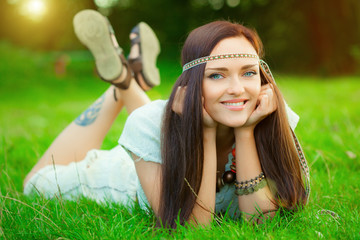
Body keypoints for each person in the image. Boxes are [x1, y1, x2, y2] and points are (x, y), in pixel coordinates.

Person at [24, 9, 310, 228]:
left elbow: (262, 221)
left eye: (248, 72)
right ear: (194, 82)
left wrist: (246, 132)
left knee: (155, 120)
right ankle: (121, 81)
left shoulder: (267, 113)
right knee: (34, 185)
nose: (238, 88)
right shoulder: (148, 123)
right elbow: (195, 227)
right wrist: (206, 132)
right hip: (121, 173)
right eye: (216, 75)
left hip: (157, 148)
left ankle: (125, 76)